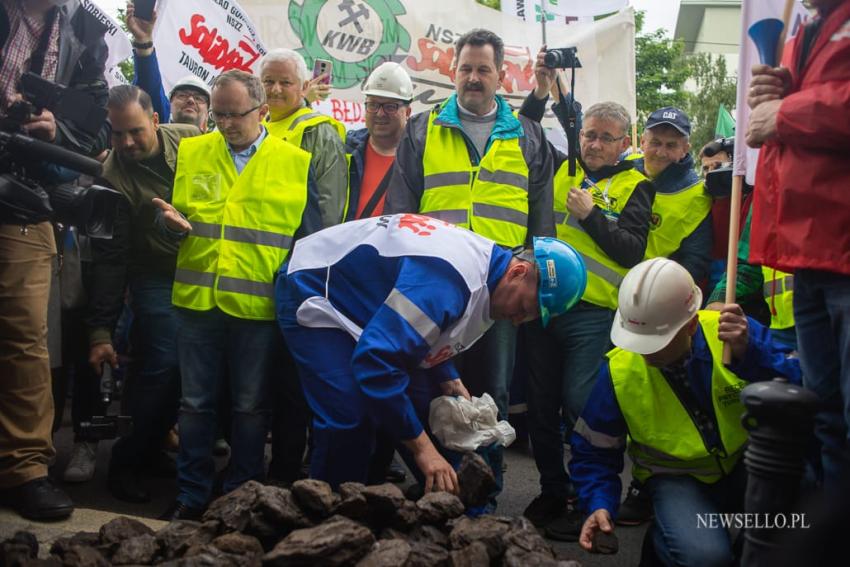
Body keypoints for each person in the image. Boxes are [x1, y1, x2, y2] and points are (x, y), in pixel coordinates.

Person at [276, 213, 586, 491]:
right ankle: (330, 515)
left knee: (425, 405)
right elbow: (377, 363)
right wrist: (423, 449)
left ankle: (412, 497)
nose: (519, 320)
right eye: (524, 308)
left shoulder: (489, 268)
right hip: (316, 289)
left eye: (531, 318)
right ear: (518, 272)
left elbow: (425, 327)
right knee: (351, 415)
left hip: (363, 300)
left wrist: (446, 375)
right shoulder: (447, 284)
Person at [385, 29, 555, 504]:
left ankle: (486, 488)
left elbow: (542, 225)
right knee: (433, 382)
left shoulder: (530, 136)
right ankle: (438, 484)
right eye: (465, 68)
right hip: (434, 287)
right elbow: (400, 212)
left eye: (483, 69)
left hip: (504, 288)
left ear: (501, 75)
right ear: (453, 72)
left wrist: (536, 283)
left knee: (493, 390)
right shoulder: (421, 128)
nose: (473, 78)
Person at [152, 70, 323, 520]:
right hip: (196, 302)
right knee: (195, 405)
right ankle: (191, 494)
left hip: (256, 307)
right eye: (219, 113)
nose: (224, 123)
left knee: (250, 408)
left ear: (262, 111)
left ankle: (241, 494)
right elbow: (176, 219)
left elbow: (307, 242)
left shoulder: (293, 162)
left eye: (234, 114)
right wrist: (165, 226)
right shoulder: (193, 151)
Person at [572, 258, 801, 564]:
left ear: (691, 324)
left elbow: (797, 384)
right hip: (675, 479)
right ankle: (669, 543)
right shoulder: (618, 371)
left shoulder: (732, 336)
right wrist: (599, 503)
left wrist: (751, 354)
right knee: (707, 558)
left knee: (782, 532)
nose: (645, 351)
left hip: (744, 468)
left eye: (657, 340)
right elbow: (594, 451)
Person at [520, 100, 655, 540]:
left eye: (605, 138)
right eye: (589, 135)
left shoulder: (637, 185)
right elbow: (529, 129)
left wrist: (590, 215)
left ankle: (588, 496)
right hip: (544, 306)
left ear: (623, 144)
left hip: (593, 315)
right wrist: (543, 94)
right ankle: (552, 491)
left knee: (580, 404)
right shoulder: (564, 169)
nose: (594, 144)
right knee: (540, 405)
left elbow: (631, 249)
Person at [0, 0, 109, 521]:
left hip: (22, 194)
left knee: (24, 336)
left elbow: (94, 130)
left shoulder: (87, 30)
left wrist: (53, 130)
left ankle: (24, 468)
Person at [745, 0, 850, 490]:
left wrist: (785, 111)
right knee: (826, 419)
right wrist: (786, 92)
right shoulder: (808, 25)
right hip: (811, 252)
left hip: (839, 249)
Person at [85, 85, 201, 503]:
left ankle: (151, 449)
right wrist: (100, 330)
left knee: (194, 369)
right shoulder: (110, 178)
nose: (127, 143)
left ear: (156, 120)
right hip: (154, 275)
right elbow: (110, 258)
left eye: (135, 131)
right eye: (117, 135)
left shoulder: (192, 138)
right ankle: (126, 461)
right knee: (164, 361)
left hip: (206, 267)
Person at [614, 107, 714, 526]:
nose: (660, 150)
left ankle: (644, 482)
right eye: (655, 140)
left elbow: (695, 263)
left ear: (686, 148)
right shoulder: (627, 171)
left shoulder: (697, 195)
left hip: (656, 313)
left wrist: (666, 304)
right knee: (617, 397)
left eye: (671, 144)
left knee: (650, 402)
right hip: (611, 299)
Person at [260, 48, 347, 228]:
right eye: (268, 81)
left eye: (285, 82)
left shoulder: (320, 133)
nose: (276, 89)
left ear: (305, 87)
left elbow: (329, 206)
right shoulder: (253, 126)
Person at [124, 2, 210, 132]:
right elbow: (150, 84)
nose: (191, 100)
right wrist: (143, 40)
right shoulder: (157, 129)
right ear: (168, 105)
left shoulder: (217, 150)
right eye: (182, 95)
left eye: (199, 98)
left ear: (207, 117)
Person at [345, 62, 413, 221]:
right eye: (373, 105)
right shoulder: (345, 150)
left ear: (408, 112)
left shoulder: (418, 159)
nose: (380, 113)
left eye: (390, 107)